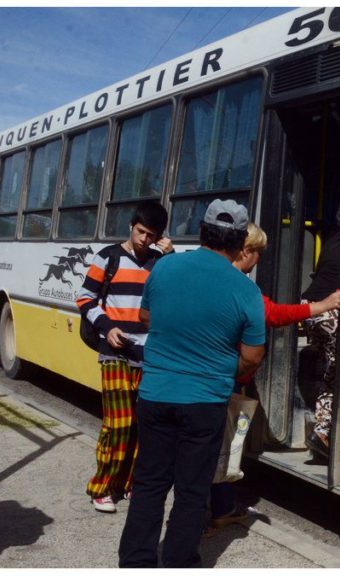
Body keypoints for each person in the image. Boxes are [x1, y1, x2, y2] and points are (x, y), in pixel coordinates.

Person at [118, 199, 266, 568]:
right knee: (191, 489)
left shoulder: (165, 267)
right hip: (205, 402)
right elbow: (251, 357)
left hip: (155, 395)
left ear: (202, 232)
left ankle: (136, 562)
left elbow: (146, 316)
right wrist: (215, 363)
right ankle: (179, 561)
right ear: (239, 242)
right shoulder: (245, 290)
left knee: (149, 483)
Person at [206, 222, 340, 535]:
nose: (258, 260)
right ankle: (215, 512)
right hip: (222, 377)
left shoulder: (212, 276)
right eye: (257, 253)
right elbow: (271, 314)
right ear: (245, 251)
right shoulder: (236, 283)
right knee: (222, 446)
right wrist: (322, 306)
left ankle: (220, 506)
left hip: (210, 376)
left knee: (223, 445)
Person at [76, 200, 173, 513]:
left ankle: (131, 484)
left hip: (148, 352)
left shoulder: (161, 261)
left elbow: (174, 292)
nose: (144, 239)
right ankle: (102, 487)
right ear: (131, 226)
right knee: (118, 423)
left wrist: (169, 257)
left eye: (151, 234)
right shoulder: (108, 257)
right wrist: (107, 326)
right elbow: (85, 297)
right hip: (114, 351)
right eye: (140, 231)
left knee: (144, 425)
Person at [300, 203, 340, 459]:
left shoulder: (332, 238)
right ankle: (322, 432)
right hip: (328, 311)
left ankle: (322, 429)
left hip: (311, 307)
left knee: (327, 370)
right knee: (337, 374)